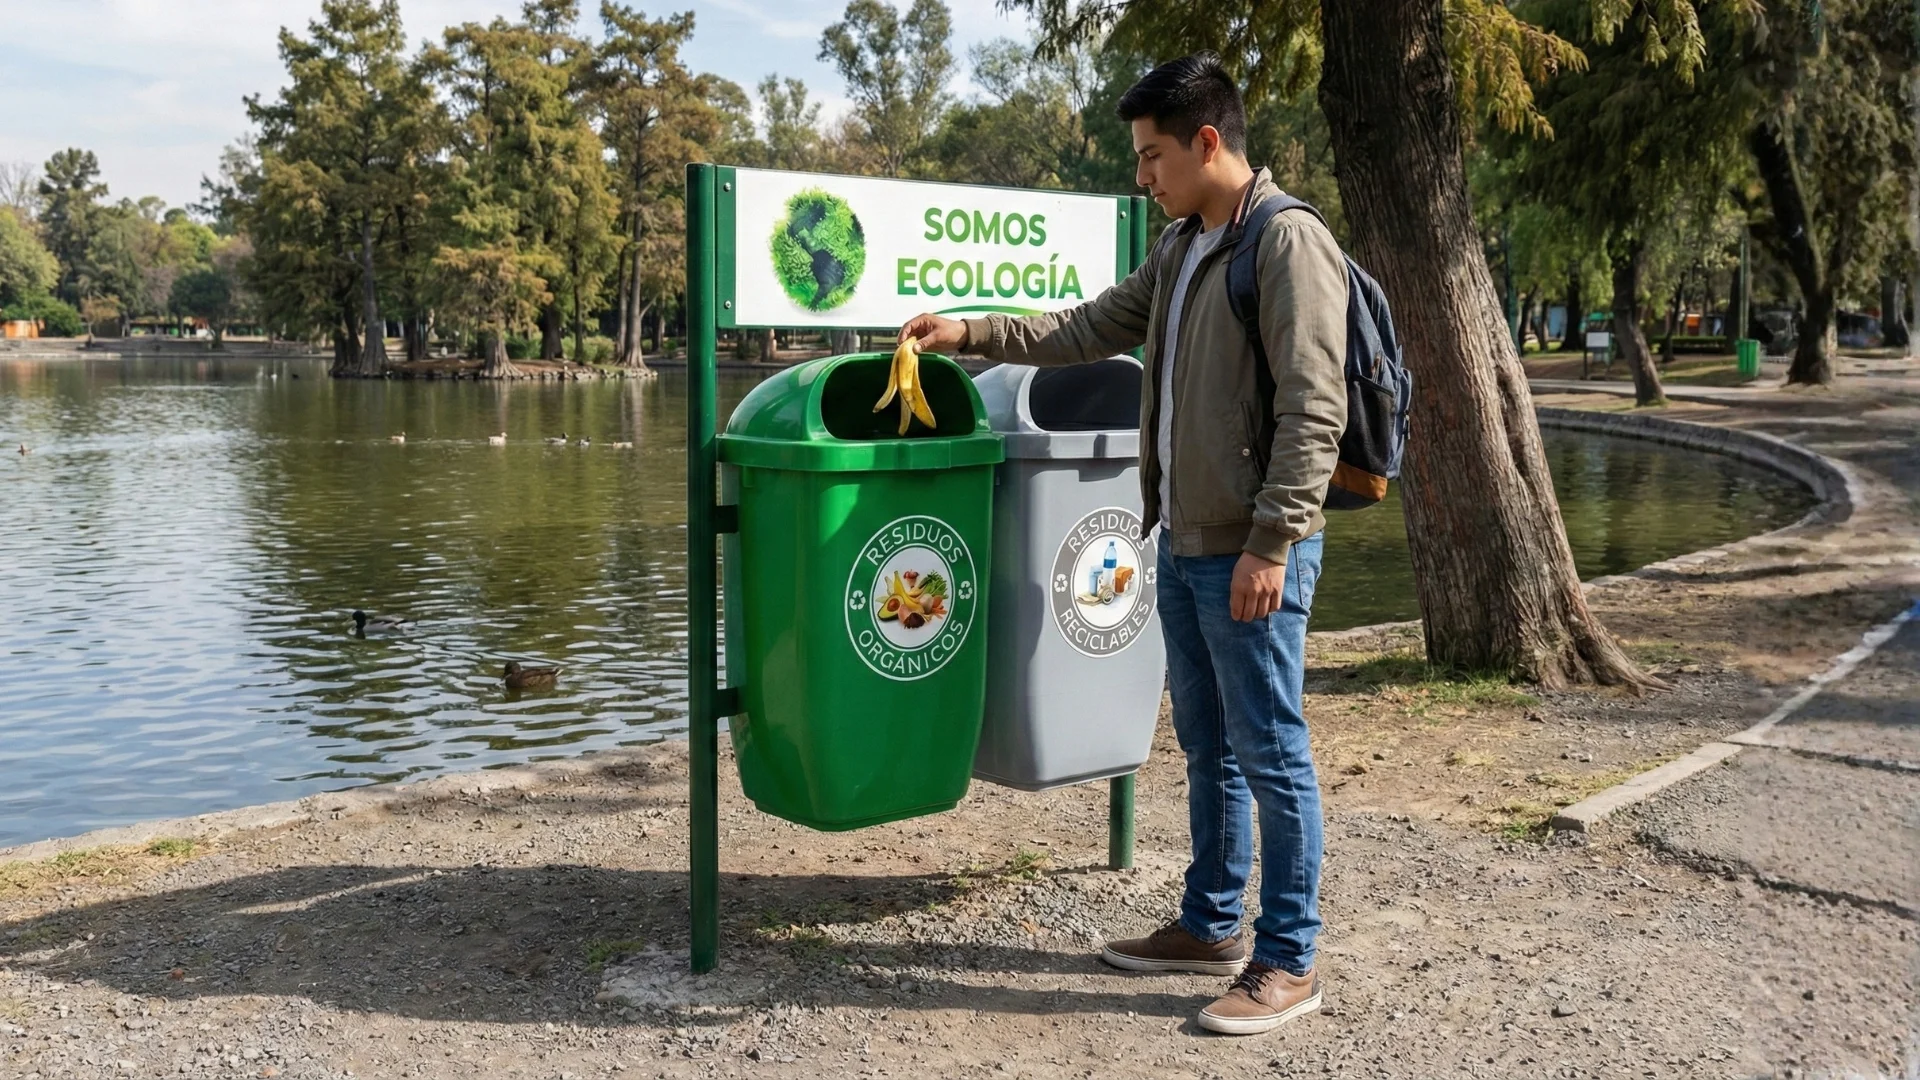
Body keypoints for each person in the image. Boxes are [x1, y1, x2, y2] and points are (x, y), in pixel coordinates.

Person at [897, 52, 1349, 1036]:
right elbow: (1086, 327)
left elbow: (1316, 409)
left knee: (1272, 750)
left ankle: (1289, 959)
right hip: (1181, 542)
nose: (1142, 176)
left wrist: (1273, 542)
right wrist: (969, 332)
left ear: (1207, 142)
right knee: (1209, 744)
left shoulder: (1285, 242)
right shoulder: (1184, 247)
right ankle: (1211, 924)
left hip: (1250, 550)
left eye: (1151, 156)